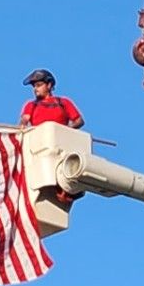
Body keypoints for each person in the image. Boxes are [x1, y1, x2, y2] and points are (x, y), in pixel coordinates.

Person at [20, 68, 85, 208]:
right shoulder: (31, 105)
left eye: (38, 85)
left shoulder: (63, 102)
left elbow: (79, 120)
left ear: (48, 85)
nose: (35, 89)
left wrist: (66, 131)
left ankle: (67, 191)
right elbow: (23, 123)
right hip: (40, 145)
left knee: (63, 171)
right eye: (34, 86)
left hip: (60, 145)